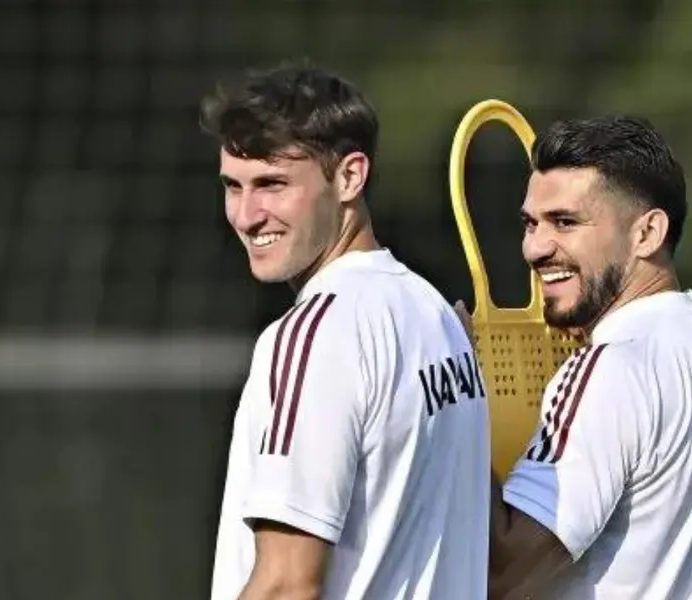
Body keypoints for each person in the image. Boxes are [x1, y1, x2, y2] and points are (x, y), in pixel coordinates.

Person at [200, 60, 490, 600]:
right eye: (233, 186)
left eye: (272, 184)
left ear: (350, 177)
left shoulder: (315, 333)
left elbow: (287, 584)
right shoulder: (437, 317)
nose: (246, 215)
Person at [465, 115, 692, 600]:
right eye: (531, 223)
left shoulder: (610, 368)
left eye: (565, 222)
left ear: (647, 233)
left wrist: (462, 394)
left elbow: (500, 573)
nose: (534, 248)